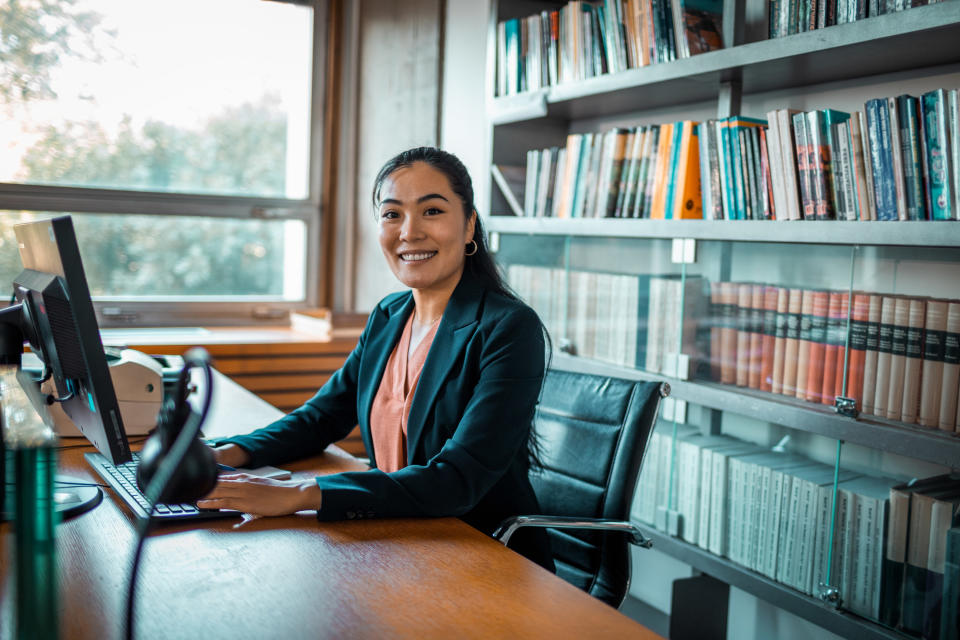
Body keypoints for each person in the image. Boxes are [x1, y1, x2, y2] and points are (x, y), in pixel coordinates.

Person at [199, 147, 554, 571]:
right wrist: (224, 454)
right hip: (400, 539)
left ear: (469, 225)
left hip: (478, 554)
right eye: (392, 214)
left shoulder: (509, 328)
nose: (410, 232)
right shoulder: (390, 314)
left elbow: (456, 481)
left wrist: (303, 494)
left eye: (432, 211)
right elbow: (320, 418)